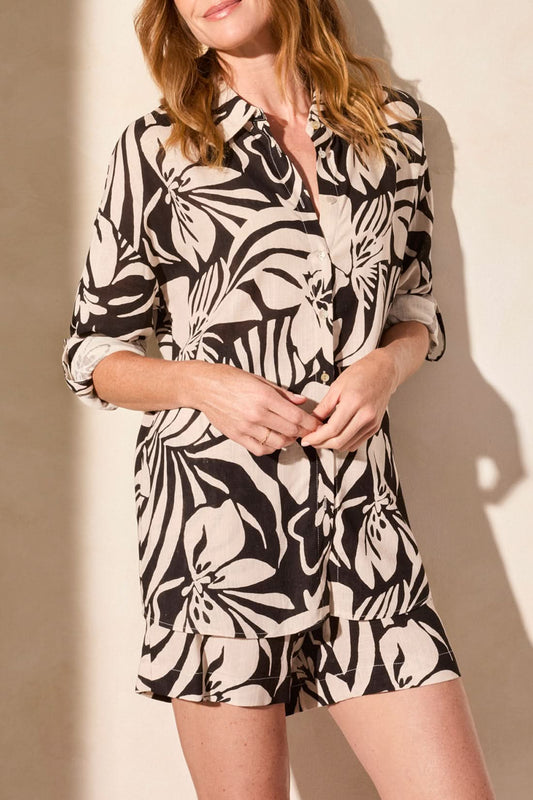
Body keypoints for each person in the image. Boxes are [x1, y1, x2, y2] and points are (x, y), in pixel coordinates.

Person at [62, 0, 496, 797]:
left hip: (361, 527)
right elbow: (92, 353)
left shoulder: (392, 129)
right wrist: (200, 382)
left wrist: (383, 371)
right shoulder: (158, 148)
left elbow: (414, 306)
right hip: (214, 539)